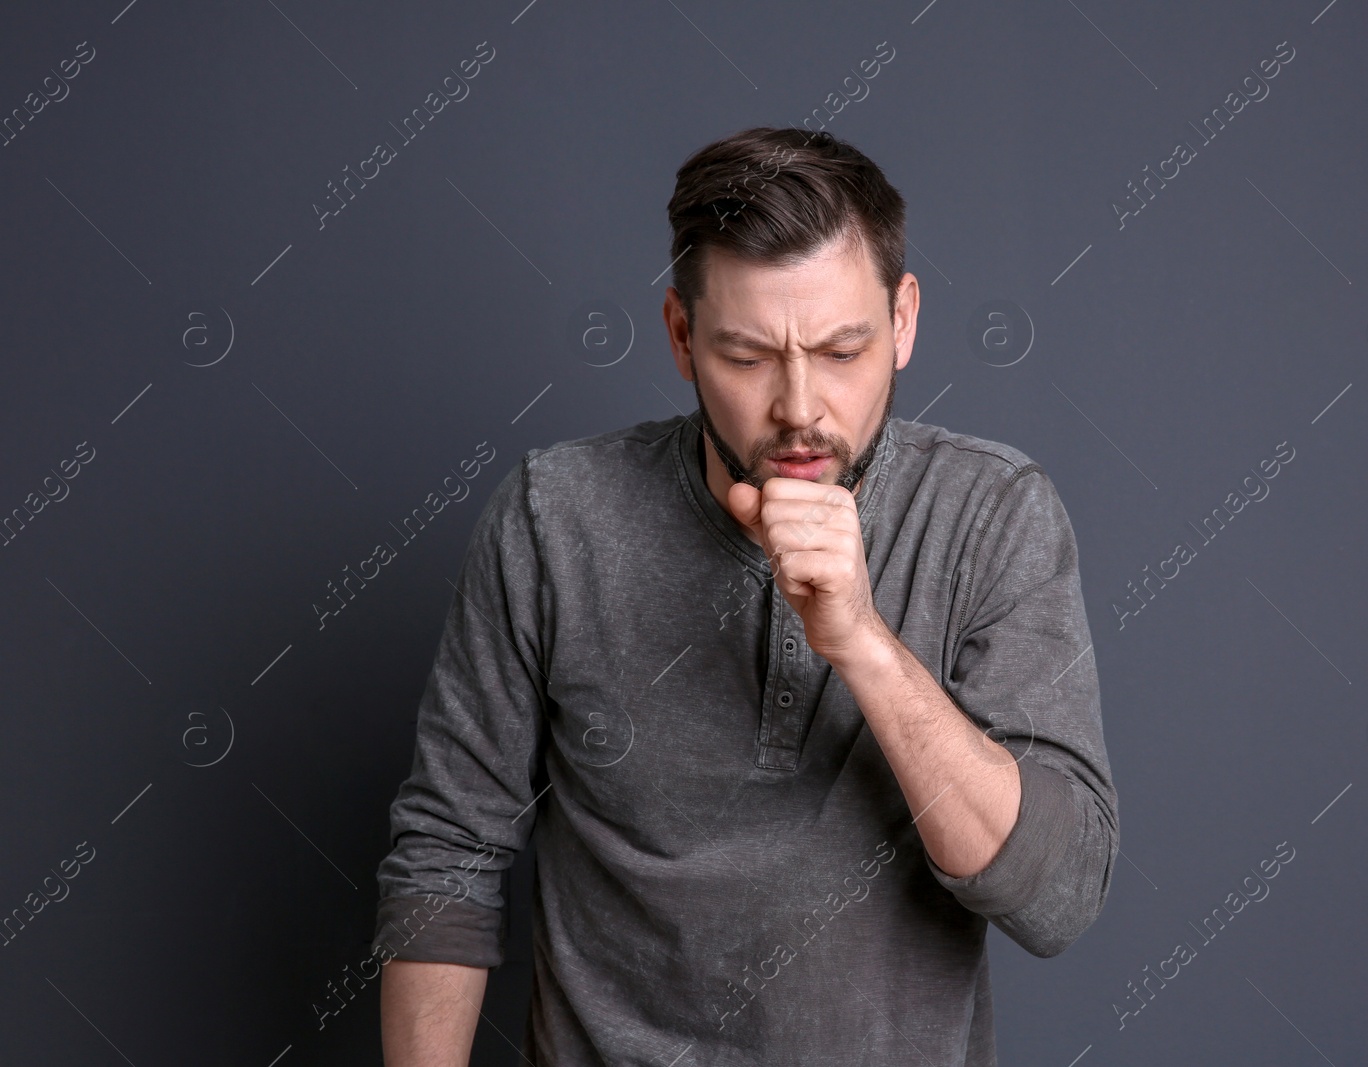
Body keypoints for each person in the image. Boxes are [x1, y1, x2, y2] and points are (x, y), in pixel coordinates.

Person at [372, 125, 1118, 1066]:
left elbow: (1056, 898)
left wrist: (862, 641)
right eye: (748, 354)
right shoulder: (551, 517)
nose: (800, 407)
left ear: (904, 323)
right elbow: (448, 854)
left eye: (844, 351)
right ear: (683, 338)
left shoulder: (992, 513)